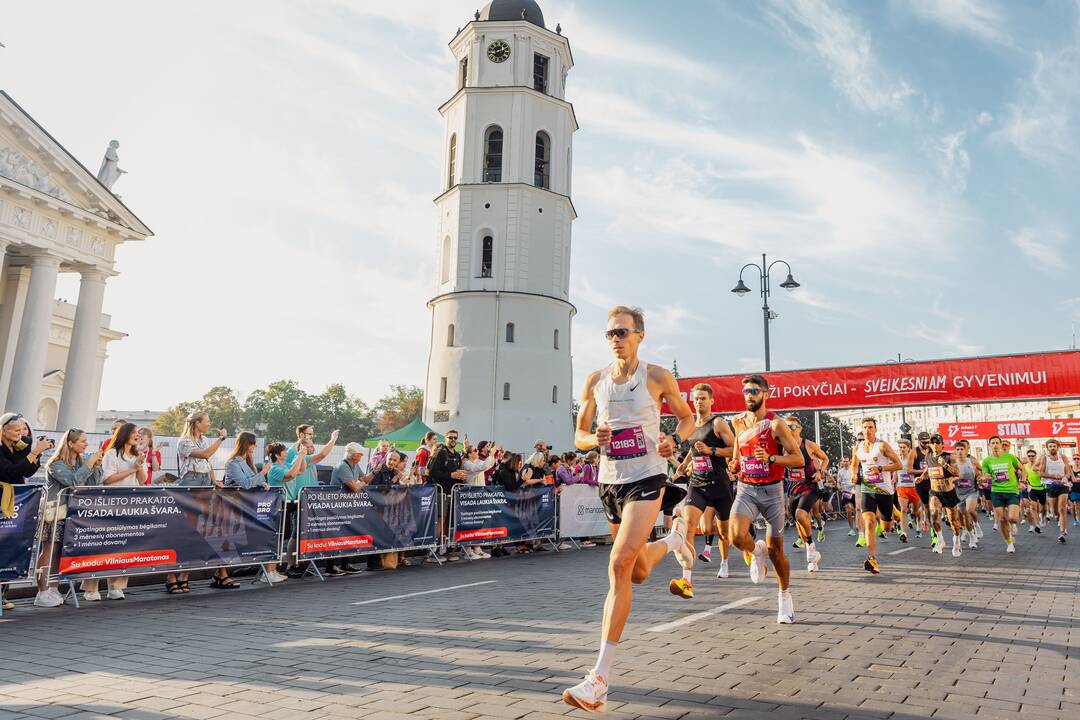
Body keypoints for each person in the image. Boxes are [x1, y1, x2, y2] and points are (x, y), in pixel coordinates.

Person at [561, 306, 693, 712]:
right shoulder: (595, 381)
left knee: (618, 564)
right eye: (609, 334)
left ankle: (599, 678)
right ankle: (673, 540)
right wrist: (591, 438)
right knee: (635, 572)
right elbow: (579, 434)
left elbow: (686, 419)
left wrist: (674, 440)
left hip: (647, 479)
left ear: (639, 335)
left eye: (622, 332)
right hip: (609, 482)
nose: (615, 338)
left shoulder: (656, 376)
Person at [726, 375, 804, 620]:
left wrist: (771, 458)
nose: (749, 394)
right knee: (736, 537)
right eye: (746, 391)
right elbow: (737, 454)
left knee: (776, 552)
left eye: (754, 391)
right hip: (746, 488)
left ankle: (784, 597)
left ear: (765, 394)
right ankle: (755, 549)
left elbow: (798, 459)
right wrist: (734, 465)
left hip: (772, 492)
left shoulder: (776, 425)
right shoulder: (738, 422)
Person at [670, 383, 735, 591]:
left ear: (711, 401)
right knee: (689, 526)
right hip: (697, 483)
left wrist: (711, 450)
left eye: (703, 398)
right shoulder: (690, 424)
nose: (699, 402)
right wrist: (685, 463)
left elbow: (734, 449)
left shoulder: (718, 423)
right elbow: (693, 449)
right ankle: (686, 580)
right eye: (696, 398)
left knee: (724, 532)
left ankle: (724, 562)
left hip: (720, 484)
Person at [37, 429, 103, 607]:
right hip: (54, 513)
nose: (86, 444)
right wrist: (88, 465)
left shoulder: (81, 462)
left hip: (72, 513)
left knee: (60, 551)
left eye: (86, 440)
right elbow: (73, 482)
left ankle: (54, 587)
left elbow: (93, 484)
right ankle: (41, 591)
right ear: (70, 444)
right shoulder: (56, 464)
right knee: (49, 549)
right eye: (82, 441)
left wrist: (96, 466)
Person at [82, 422, 147, 601]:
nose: (137, 436)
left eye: (138, 433)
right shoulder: (112, 453)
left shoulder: (137, 455)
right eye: (134, 433)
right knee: (101, 546)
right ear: (124, 434)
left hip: (130, 504)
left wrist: (139, 465)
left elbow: (142, 481)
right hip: (111, 503)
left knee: (123, 546)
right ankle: (91, 587)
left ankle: (116, 586)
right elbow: (108, 479)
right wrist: (132, 469)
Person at [174, 412, 231, 592]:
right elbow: (205, 454)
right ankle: (180, 574)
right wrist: (221, 438)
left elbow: (208, 461)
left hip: (205, 480)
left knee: (202, 528)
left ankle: (187, 575)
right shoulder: (184, 441)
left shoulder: (205, 439)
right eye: (206, 422)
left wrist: (213, 479)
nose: (209, 424)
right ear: (196, 423)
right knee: (189, 528)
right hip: (191, 481)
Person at [223, 432, 285, 583]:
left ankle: (269, 570)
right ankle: (222, 573)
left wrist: (263, 482)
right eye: (253, 443)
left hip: (247, 506)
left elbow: (254, 480)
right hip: (235, 505)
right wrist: (263, 473)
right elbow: (245, 483)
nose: (255, 446)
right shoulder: (233, 463)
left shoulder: (246, 462)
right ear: (246, 444)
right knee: (229, 540)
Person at [283, 425, 340, 576]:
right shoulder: (296, 451)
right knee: (296, 534)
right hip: (299, 498)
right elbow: (322, 455)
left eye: (312, 435)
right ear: (301, 435)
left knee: (304, 534)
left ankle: (299, 564)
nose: (311, 438)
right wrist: (333, 439)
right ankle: (290, 566)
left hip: (308, 499)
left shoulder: (306, 455)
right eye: (308, 435)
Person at [849, 418, 903, 574]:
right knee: (870, 522)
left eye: (870, 427)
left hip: (885, 491)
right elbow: (854, 464)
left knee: (887, 527)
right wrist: (853, 475)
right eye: (865, 427)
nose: (867, 430)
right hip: (867, 490)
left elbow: (898, 464)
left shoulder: (882, 446)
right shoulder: (857, 448)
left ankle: (895, 514)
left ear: (876, 429)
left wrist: (881, 468)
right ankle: (872, 559)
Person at [784, 415, 829, 573]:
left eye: (792, 427)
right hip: (793, 488)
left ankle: (810, 546)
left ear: (800, 429)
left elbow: (825, 459)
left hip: (810, 486)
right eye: (787, 427)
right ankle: (812, 555)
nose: (789, 429)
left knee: (800, 515)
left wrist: (820, 472)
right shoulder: (783, 446)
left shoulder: (808, 444)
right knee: (797, 520)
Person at [265, 442, 307, 574]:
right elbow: (291, 475)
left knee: (288, 535)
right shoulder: (275, 469)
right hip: (280, 505)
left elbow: (301, 470)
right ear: (277, 455)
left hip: (291, 503)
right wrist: (300, 456)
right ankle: (271, 571)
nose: (287, 452)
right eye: (284, 451)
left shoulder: (286, 465)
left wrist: (303, 455)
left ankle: (279, 569)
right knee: (278, 537)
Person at [427, 429, 467, 561]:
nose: (453, 440)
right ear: (445, 439)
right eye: (451, 438)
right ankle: (434, 551)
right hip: (441, 492)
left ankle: (444, 550)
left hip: (452, 492)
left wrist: (461, 476)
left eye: (455, 438)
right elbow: (432, 472)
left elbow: (457, 474)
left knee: (447, 522)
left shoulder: (456, 455)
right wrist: (450, 475)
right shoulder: (440, 452)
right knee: (440, 521)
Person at [981, 435, 1024, 553]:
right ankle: (1009, 542)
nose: (995, 445)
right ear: (990, 446)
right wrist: (985, 477)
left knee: (1013, 518)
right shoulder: (986, 460)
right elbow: (985, 475)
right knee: (1001, 519)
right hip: (997, 492)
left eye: (997, 443)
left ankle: (1013, 524)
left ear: (1000, 445)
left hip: (1012, 491)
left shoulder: (1010, 457)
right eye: (992, 443)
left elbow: (1022, 469)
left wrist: (1023, 481)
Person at [925, 434, 963, 557]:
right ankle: (940, 540)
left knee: (954, 522)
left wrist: (945, 465)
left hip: (949, 492)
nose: (935, 445)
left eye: (937, 442)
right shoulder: (929, 456)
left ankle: (956, 542)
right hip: (935, 492)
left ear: (942, 444)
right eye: (932, 443)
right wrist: (921, 477)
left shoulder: (949, 456)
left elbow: (958, 473)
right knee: (934, 516)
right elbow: (928, 469)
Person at [1036, 439, 1072, 543]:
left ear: (1057, 447)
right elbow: (1041, 473)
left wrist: (1065, 477)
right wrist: (1053, 476)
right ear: (1047, 448)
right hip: (1051, 486)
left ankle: (1063, 532)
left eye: (1054, 446)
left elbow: (1068, 472)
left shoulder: (1063, 457)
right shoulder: (1045, 458)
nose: (1052, 448)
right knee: (1055, 511)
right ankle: (1054, 516)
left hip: (1063, 486)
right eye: (1050, 446)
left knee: (1062, 509)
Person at [953, 440, 982, 548]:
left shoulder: (972, 461)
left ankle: (976, 525)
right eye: (958, 449)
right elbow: (949, 477)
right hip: (959, 493)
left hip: (971, 491)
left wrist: (980, 477)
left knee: (969, 510)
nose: (960, 451)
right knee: (965, 516)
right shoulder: (953, 464)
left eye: (962, 449)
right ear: (955, 452)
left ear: (966, 451)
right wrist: (954, 479)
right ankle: (972, 536)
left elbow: (981, 470)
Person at [895, 438, 921, 539]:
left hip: (914, 488)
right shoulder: (897, 459)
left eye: (904, 447)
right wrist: (894, 479)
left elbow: (920, 470)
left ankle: (918, 526)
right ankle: (904, 533)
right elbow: (895, 471)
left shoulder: (913, 459)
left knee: (916, 511)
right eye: (900, 447)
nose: (902, 449)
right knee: (903, 510)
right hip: (902, 488)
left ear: (908, 448)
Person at [1024, 449, 1046, 533]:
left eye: (1032, 456)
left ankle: (1042, 517)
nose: (1031, 457)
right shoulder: (1025, 466)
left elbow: (1045, 474)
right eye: (1029, 456)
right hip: (1032, 488)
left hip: (1042, 488)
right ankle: (1037, 525)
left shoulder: (1040, 465)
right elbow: (1023, 475)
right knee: (1033, 506)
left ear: (1035, 456)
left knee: (1043, 508)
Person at [837, 457, 856, 536]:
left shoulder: (853, 469)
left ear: (850, 461)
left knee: (856, 510)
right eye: (844, 461)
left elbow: (857, 479)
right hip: (846, 493)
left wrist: (854, 484)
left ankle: (859, 525)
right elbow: (838, 482)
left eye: (847, 461)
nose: (845, 463)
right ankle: (852, 529)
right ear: (842, 462)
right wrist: (839, 486)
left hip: (854, 492)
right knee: (848, 510)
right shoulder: (840, 472)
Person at [1069, 454, 1080, 528]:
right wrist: (1069, 483)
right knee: (1072, 507)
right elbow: (1066, 477)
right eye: (1074, 459)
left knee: (1078, 506)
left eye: (1078, 459)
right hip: (1072, 490)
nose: (1076, 460)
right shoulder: (1070, 469)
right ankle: (1075, 520)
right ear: (1073, 460)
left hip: (1079, 490)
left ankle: (1078, 519)